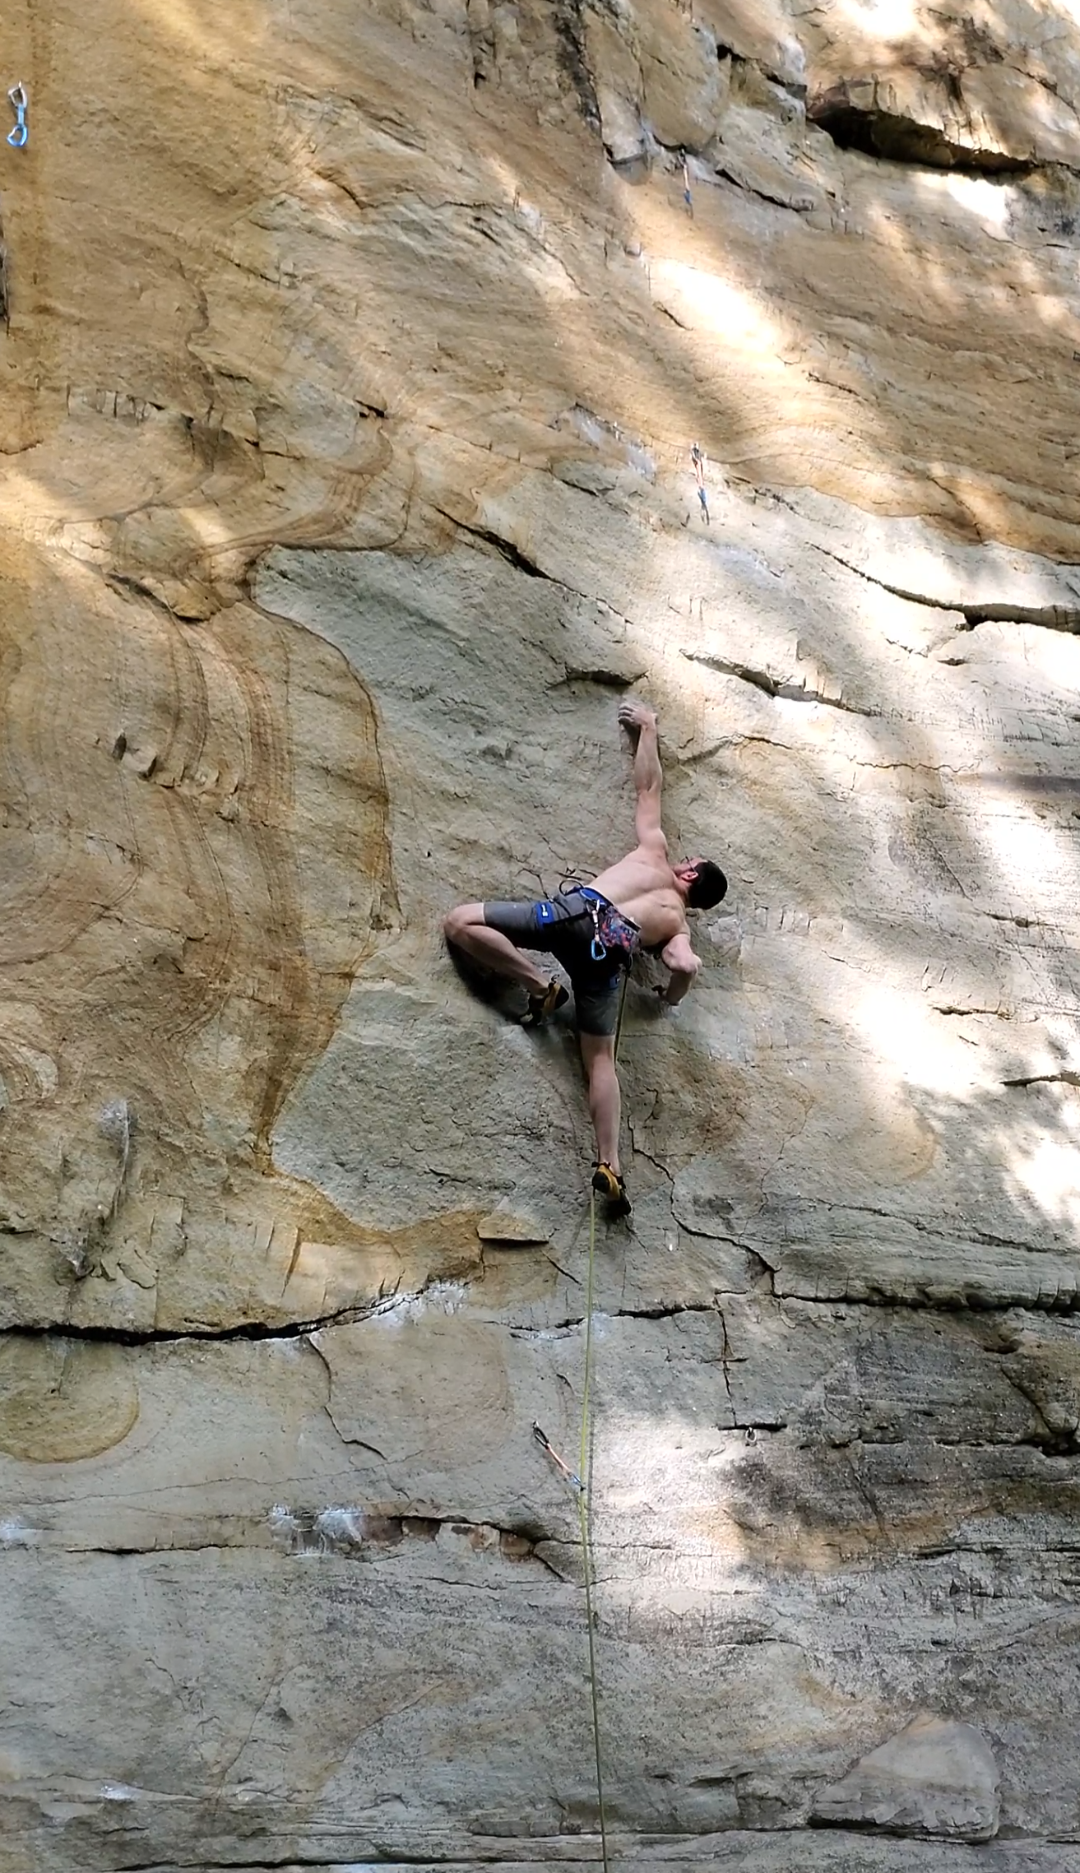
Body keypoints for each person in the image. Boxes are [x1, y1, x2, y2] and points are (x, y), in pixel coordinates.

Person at [443, 703, 728, 1216]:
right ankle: (609, 1164)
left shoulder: (653, 853)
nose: (685, 861)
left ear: (690, 874)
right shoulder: (678, 928)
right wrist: (670, 995)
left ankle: (537, 987)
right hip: (606, 959)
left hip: (570, 917)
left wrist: (649, 728)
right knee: (601, 1062)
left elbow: (649, 789)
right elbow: (686, 967)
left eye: (691, 862)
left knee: (461, 922)